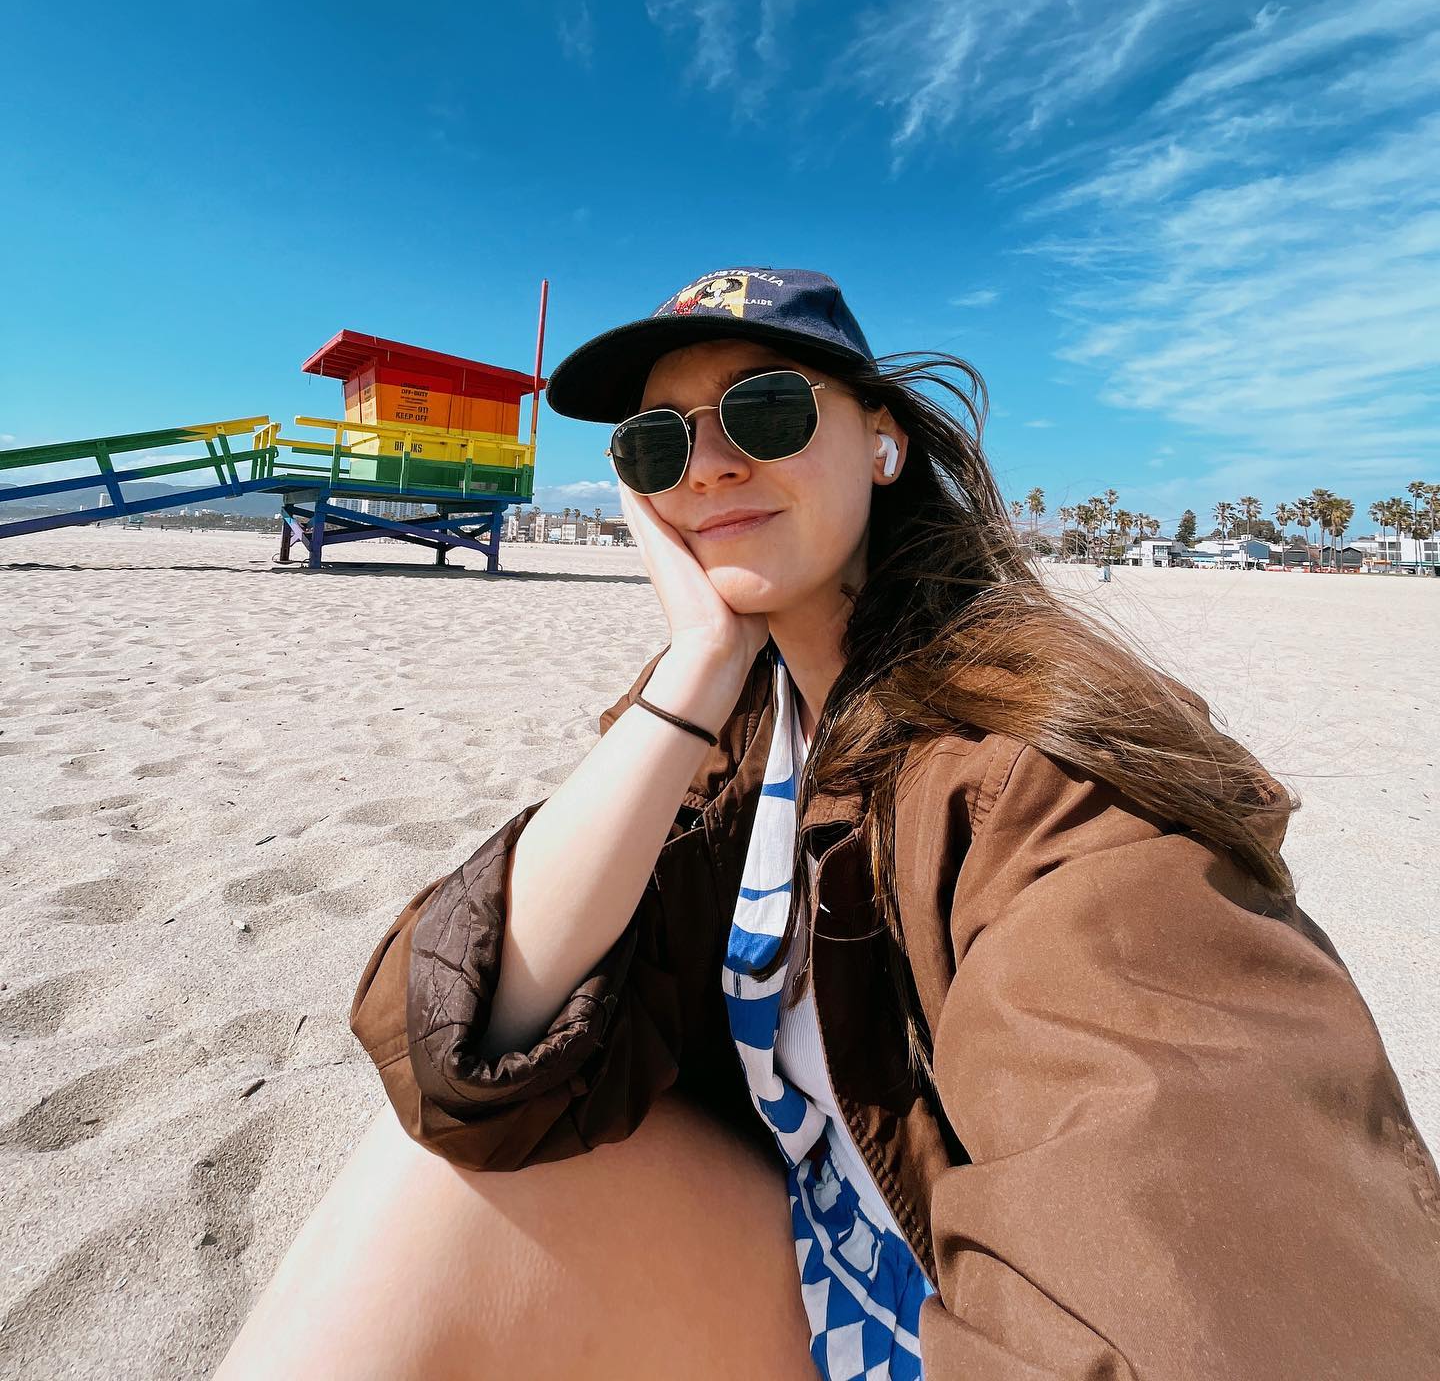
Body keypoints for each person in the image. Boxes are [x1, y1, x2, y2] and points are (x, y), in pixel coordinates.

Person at [216, 267, 1440, 1380]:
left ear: (884, 444)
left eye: (765, 415)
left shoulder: (1035, 771)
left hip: (938, 1332)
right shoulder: (738, 729)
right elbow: (471, 1052)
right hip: (801, 1265)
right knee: (427, 1186)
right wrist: (692, 669)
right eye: (657, 446)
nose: (705, 468)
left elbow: (1193, 1230)